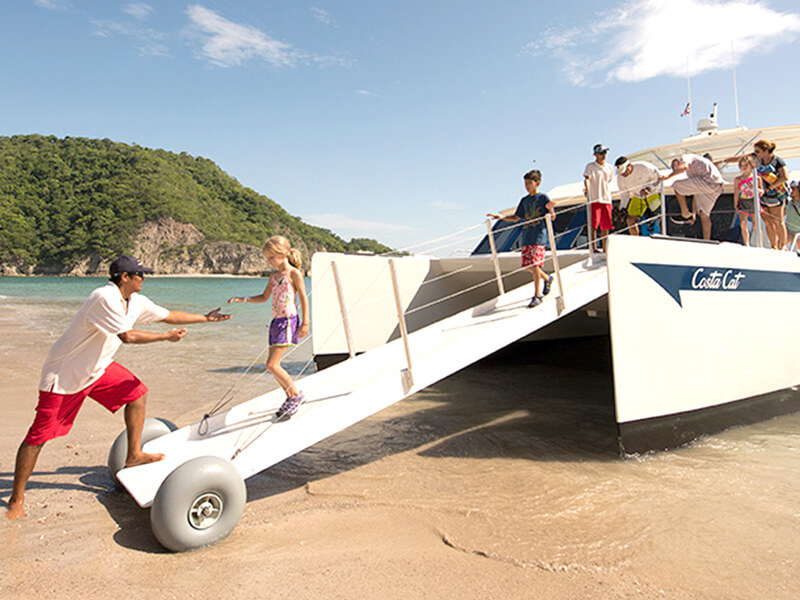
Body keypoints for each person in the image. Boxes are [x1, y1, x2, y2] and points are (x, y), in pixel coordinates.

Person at [6, 255, 231, 520]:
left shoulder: (135, 301)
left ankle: (133, 454)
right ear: (124, 277)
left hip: (98, 369)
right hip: (65, 375)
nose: (144, 278)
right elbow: (128, 336)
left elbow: (168, 316)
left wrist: (206, 318)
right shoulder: (104, 297)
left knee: (137, 392)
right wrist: (165, 339)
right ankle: (16, 497)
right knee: (39, 436)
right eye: (139, 274)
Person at [228, 236, 309, 419]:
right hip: (276, 322)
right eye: (268, 258)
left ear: (283, 254)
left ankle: (295, 395)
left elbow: (303, 298)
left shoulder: (294, 274)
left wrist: (305, 323)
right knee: (273, 365)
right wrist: (243, 299)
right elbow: (264, 297)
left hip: (288, 321)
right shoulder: (274, 276)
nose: (269, 262)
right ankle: (290, 396)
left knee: (271, 365)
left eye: (271, 257)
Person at [487, 169, 555, 308]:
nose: (527, 186)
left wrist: (551, 209)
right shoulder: (524, 200)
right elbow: (517, 217)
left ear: (537, 183)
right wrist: (502, 217)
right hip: (527, 235)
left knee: (535, 265)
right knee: (528, 266)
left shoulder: (543, 197)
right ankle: (547, 278)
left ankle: (537, 295)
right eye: (525, 183)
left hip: (538, 235)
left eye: (529, 183)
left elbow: (552, 217)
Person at [722, 139, 790, 249]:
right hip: (761, 196)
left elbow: (785, 177)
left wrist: (771, 187)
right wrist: (722, 161)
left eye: (758, 151)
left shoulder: (778, 161)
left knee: (778, 221)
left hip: (775, 195)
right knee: (768, 222)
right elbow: (739, 159)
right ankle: (774, 246)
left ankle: (783, 246)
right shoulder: (756, 158)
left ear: (766, 151)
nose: (756, 153)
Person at [662, 153, 724, 240]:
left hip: (710, 182)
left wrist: (668, 176)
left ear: (677, 163)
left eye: (675, 168)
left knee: (677, 186)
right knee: (704, 214)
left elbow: (684, 167)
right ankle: (707, 240)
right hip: (716, 186)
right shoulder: (690, 173)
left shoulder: (686, 157)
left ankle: (685, 213)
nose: (676, 171)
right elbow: (696, 192)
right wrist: (694, 214)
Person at [614, 156, 661, 237]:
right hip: (637, 197)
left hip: (653, 194)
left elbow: (659, 178)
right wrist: (622, 208)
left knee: (656, 219)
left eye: (624, 171)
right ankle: (635, 241)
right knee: (630, 220)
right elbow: (625, 194)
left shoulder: (644, 166)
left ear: (629, 165)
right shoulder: (620, 178)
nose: (623, 174)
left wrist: (649, 188)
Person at [583, 144, 614, 252]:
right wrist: (587, 188)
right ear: (595, 154)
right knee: (594, 224)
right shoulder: (590, 166)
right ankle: (594, 247)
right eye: (601, 153)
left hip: (606, 198)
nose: (604, 155)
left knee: (606, 224)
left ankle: (605, 248)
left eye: (605, 152)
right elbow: (587, 178)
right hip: (595, 198)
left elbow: (609, 180)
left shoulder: (609, 167)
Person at [732, 155, 761, 247]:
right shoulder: (738, 179)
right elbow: (736, 192)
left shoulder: (757, 178)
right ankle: (746, 243)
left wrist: (760, 191)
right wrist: (735, 204)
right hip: (743, 201)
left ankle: (759, 243)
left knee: (756, 224)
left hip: (753, 201)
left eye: (746, 165)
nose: (744, 168)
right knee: (743, 224)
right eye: (742, 165)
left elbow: (762, 190)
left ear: (751, 166)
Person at [787, 181, 800, 251]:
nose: (791, 190)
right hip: (790, 231)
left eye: (793, 189)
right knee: (781, 244)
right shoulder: (788, 202)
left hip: (799, 231)